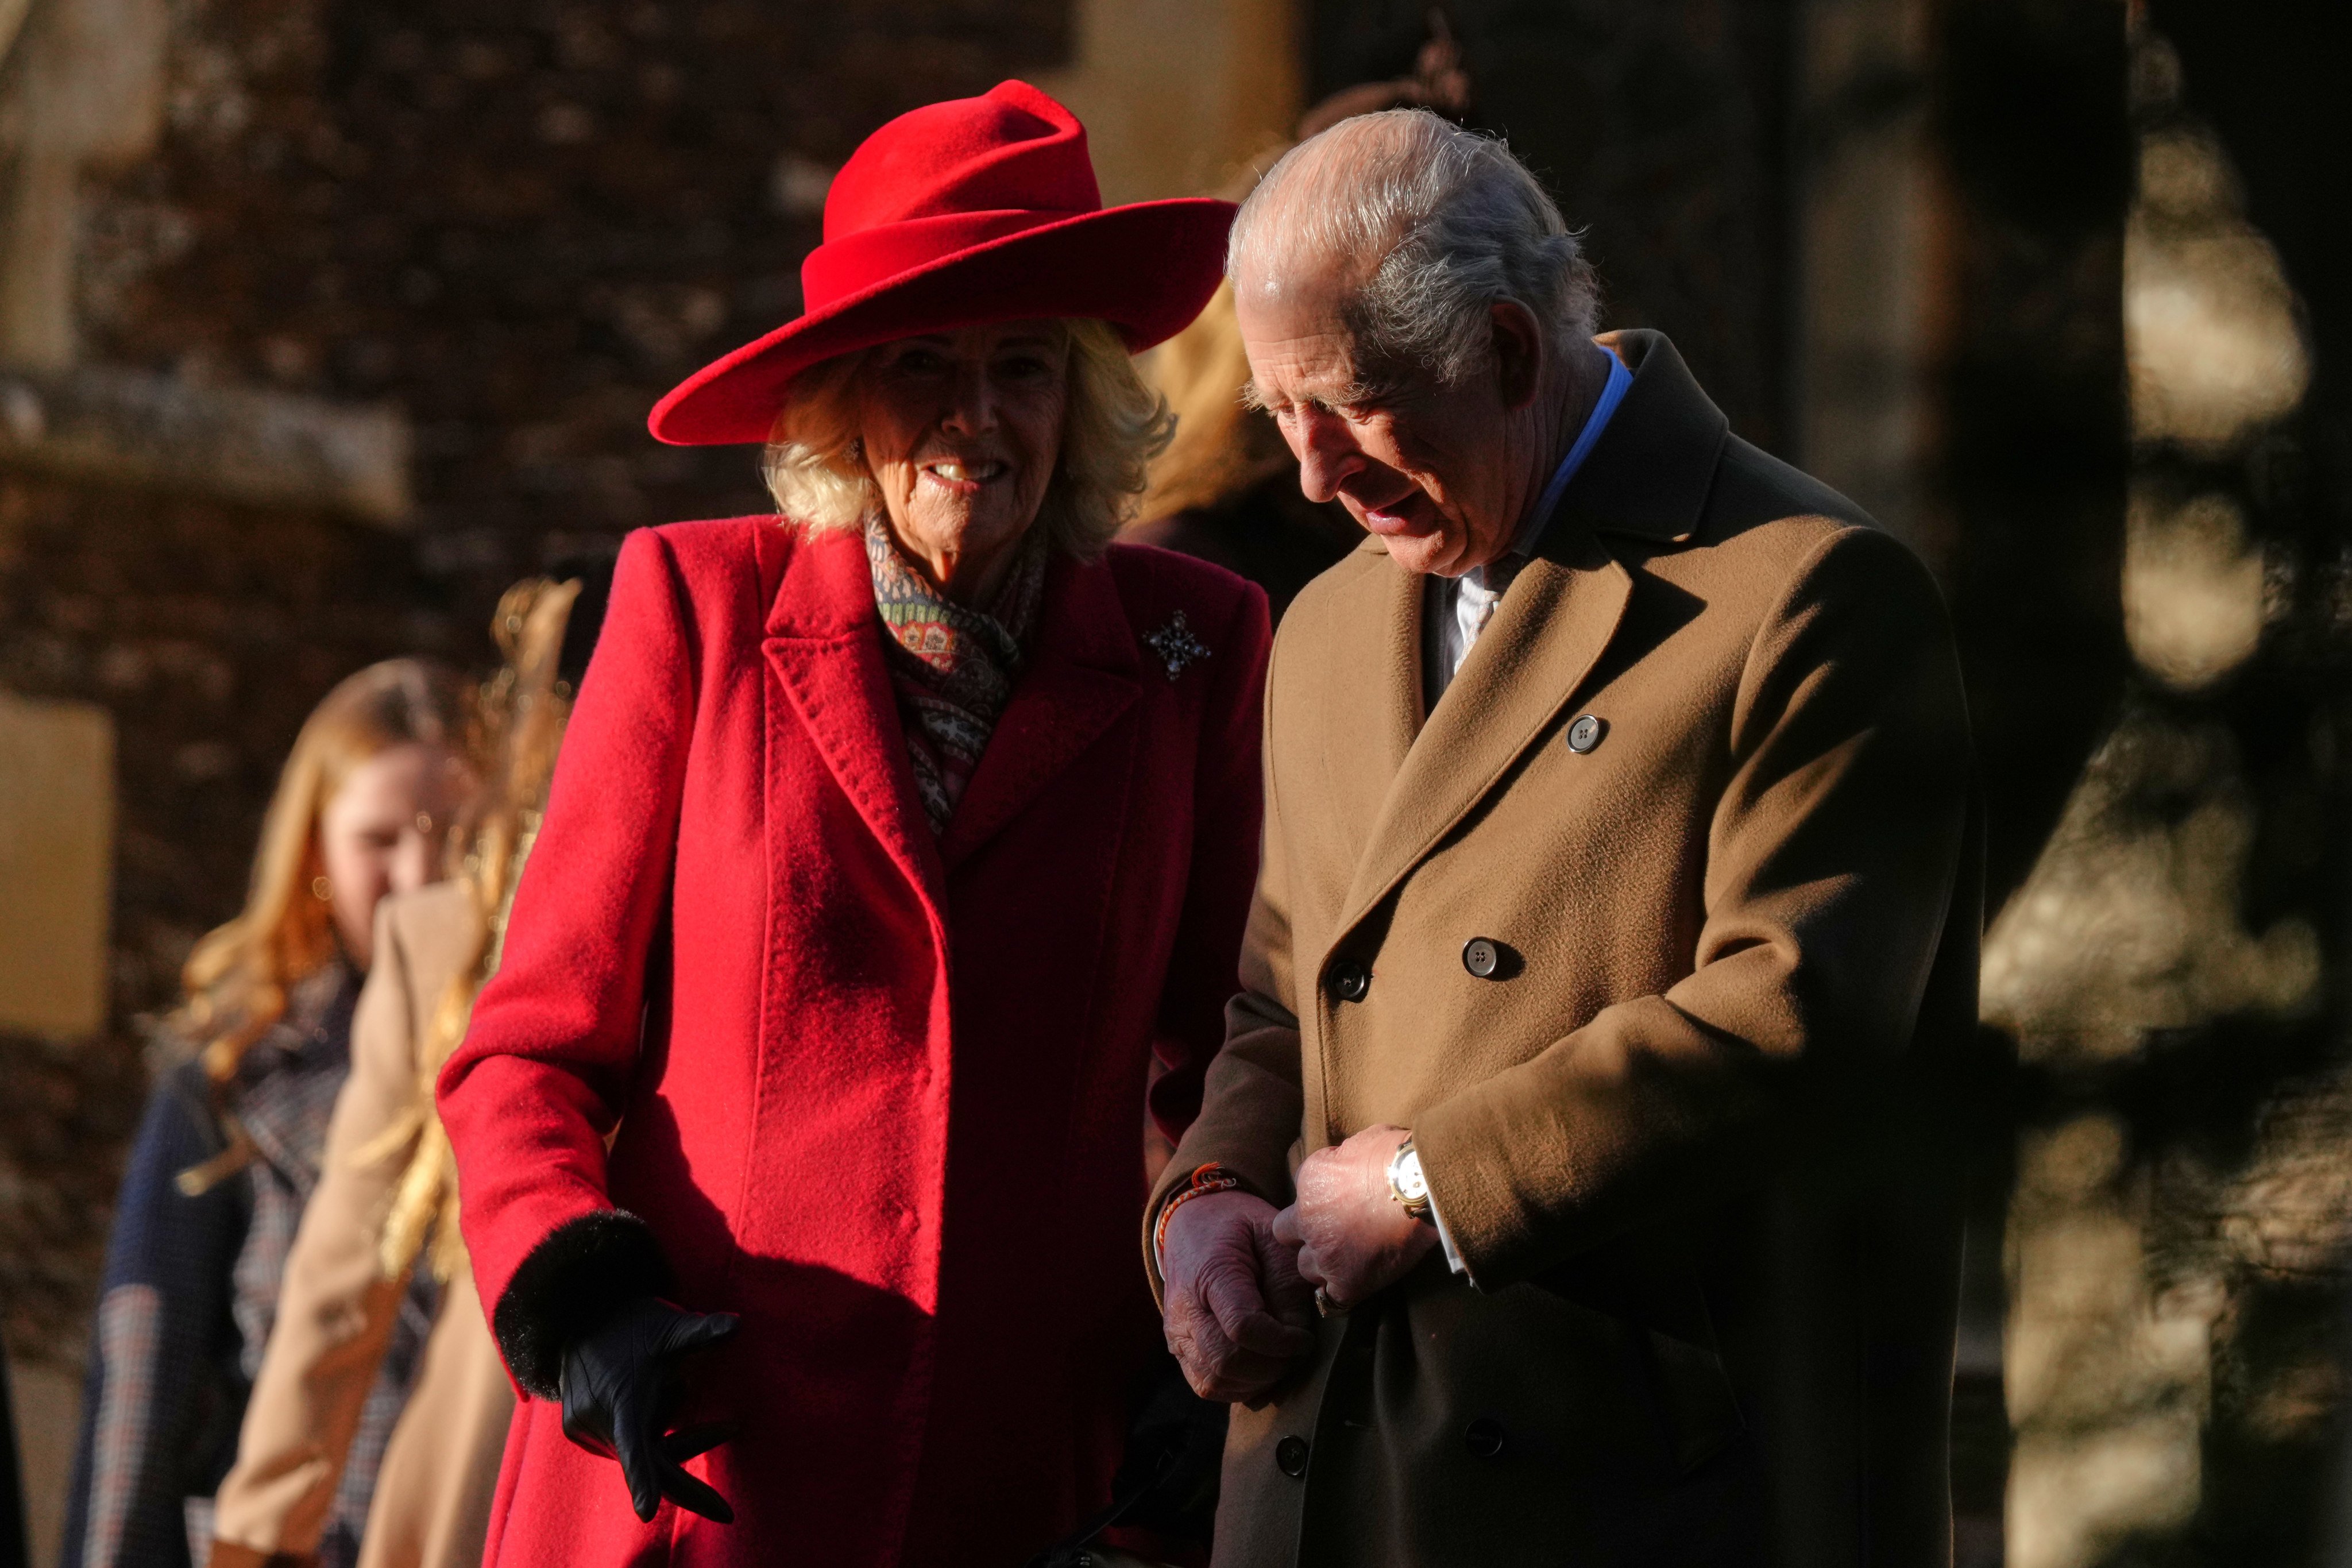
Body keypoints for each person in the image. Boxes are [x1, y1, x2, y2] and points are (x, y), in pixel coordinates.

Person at [434, 80, 1267, 1568]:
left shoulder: (1194, 647)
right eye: (921, 367)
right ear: (836, 401)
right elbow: (527, 1052)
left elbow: (1229, 1055)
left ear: (1080, 398)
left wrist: (1219, 1310)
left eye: (1024, 366)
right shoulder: (700, 606)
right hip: (695, 1471)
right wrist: (584, 1307)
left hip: (1025, 1482)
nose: (976, 417)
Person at [1150, 110, 1983, 1567]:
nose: (1309, 474)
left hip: (1638, 1496)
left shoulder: (1811, 595)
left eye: (1346, 404)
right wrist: (1208, 1202)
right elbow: (1283, 998)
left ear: (1511, 352)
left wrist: (1431, 1186)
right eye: (1277, 414)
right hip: (1325, 1478)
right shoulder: (1335, 620)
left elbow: (1800, 1008)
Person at [208, 576, 606, 1568]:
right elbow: (341, 1275)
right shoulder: (441, 944)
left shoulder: (448, 941)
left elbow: (341, 1285)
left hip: (521, 1479)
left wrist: (257, 1537)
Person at [61, 660, 473, 1568]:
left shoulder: (540, 1063)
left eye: (452, 832)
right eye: (379, 838)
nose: (421, 871)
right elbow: (145, 1361)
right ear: (318, 850)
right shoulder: (231, 1071)